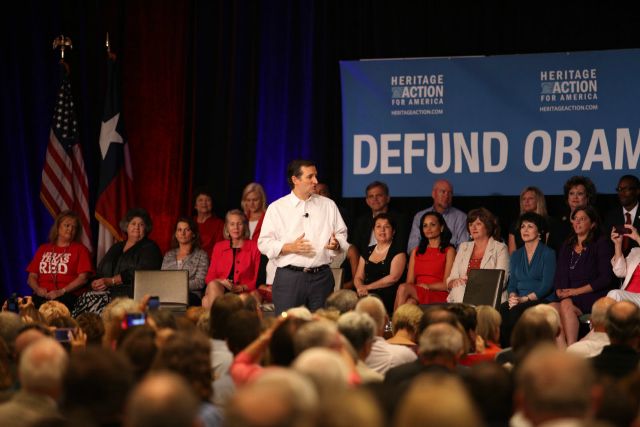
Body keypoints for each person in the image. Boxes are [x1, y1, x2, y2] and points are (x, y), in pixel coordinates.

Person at [258, 159, 348, 314]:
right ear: (295, 179)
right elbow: (264, 243)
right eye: (310, 177)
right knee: (289, 331)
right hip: (290, 279)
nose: (316, 181)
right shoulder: (277, 208)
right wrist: (288, 247)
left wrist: (337, 244)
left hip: (322, 278)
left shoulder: (328, 205)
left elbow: (341, 233)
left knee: (321, 330)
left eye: (316, 176)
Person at [75, 208, 162, 315]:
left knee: (98, 305)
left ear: (146, 228)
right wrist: (96, 282)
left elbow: (142, 273)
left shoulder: (150, 248)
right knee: (85, 299)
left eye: (141, 224)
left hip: (131, 295)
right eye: (133, 223)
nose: (136, 227)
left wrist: (112, 281)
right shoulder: (117, 247)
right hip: (107, 293)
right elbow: (102, 268)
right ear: (127, 226)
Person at [550, 206, 614, 346]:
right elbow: (559, 274)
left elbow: (605, 278)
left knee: (566, 304)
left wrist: (575, 292)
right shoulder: (567, 246)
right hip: (569, 296)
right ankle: (563, 353)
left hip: (592, 294)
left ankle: (572, 348)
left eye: (582, 219)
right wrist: (559, 290)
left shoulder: (601, 243)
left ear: (592, 224)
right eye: (575, 219)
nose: (577, 222)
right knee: (550, 310)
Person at [499, 212, 556, 347]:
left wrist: (525, 299)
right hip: (519, 298)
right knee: (503, 309)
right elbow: (512, 283)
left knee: (516, 312)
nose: (525, 230)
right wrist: (513, 297)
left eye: (530, 226)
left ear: (539, 231)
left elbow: (547, 285)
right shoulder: (516, 255)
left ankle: (518, 351)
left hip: (540, 298)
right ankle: (505, 351)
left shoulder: (548, 253)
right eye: (523, 226)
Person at [26, 210, 94, 310]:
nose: (70, 229)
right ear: (58, 227)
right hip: (41, 295)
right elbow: (31, 277)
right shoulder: (43, 249)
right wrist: (37, 289)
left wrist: (61, 291)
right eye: (67, 225)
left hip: (67, 296)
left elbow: (83, 279)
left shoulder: (81, 250)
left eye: (74, 227)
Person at [446, 208, 510, 303]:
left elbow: (502, 281)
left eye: (478, 224)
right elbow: (451, 279)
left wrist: (474, 285)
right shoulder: (464, 247)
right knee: (457, 288)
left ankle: (471, 312)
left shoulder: (500, 248)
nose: (473, 227)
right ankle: (472, 311)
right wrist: (454, 282)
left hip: (488, 295)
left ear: (488, 227)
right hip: (462, 292)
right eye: (471, 224)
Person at [394, 211, 456, 309]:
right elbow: (410, 281)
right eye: (425, 225)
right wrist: (415, 289)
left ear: (441, 227)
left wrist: (427, 286)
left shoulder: (449, 251)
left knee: (403, 287)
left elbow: (446, 284)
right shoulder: (416, 251)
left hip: (437, 293)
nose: (428, 229)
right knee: (410, 302)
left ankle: (394, 322)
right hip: (417, 291)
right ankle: (398, 323)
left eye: (433, 225)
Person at [202, 209, 261, 309]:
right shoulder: (219, 247)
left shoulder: (255, 246)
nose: (236, 228)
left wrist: (241, 287)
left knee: (206, 301)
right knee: (213, 285)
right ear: (227, 227)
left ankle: (217, 321)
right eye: (232, 224)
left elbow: (258, 279)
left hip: (244, 291)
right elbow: (209, 277)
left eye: (239, 224)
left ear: (245, 226)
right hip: (223, 289)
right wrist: (222, 281)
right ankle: (220, 321)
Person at [353, 213, 407, 315]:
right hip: (366, 294)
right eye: (378, 226)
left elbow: (393, 278)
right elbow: (358, 277)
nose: (382, 230)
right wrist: (360, 287)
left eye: (386, 227)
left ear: (393, 231)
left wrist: (367, 287)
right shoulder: (367, 251)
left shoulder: (398, 251)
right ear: (373, 231)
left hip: (388, 296)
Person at [352, 181, 409, 258]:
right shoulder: (361, 222)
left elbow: (400, 248)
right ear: (367, 201)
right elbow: (356, 248)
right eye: (371, 196)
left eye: (379, 195)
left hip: (390, 261)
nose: (375, 199)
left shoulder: (400, 220)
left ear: (387, 198)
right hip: (365, 262)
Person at [407, 179, 468, 252]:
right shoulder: (419, 216)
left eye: (450, 193)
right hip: (424, 260)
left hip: (452, 260)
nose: (446, 196)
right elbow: (412, 246)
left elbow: (464, 247)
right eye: (443, 192)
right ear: (433, 194)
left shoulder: (461, 218)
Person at [162, 217, 210, 305]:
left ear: (193, 234)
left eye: (187, 230)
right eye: (179, 230)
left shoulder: (201, 255)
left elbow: (200, 282)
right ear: (176, 234)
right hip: (168, 293)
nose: (182, 233)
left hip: (191, 294)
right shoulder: (169, 255)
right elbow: (163, 278)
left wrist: (178, 286)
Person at [507, 186, 559, 254]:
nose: (526, 201)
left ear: (538, 201)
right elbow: (512, 254)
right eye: (524, 199)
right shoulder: (515, 224)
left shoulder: (549, 223)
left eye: (530, 198)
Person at [603, 174, 640, 257]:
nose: (621, 193)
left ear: (637, 191)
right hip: (616, 266)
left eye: (626, 189)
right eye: (619, 189)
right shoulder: (611, 216)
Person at [555, 175, 597, 246]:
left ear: (587, 198)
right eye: (571, 193)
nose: (575, 197)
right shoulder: (558, 221)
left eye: (580, 194)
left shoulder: (594, 220)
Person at [608, 222, 640, 305]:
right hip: (627, 296)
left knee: (615, 294)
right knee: (615, 295)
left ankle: (597, 318)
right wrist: (618, 244)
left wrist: (637, 238)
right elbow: (620, 272)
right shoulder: (635, 251)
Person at [193, 187, 225, 256]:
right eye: (200, 200)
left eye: (207, 200)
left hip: (210, 262)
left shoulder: (219, 224)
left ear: (212, 204)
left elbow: (220, 249)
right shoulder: (190, 222)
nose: (204, 203)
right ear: (195, 205)